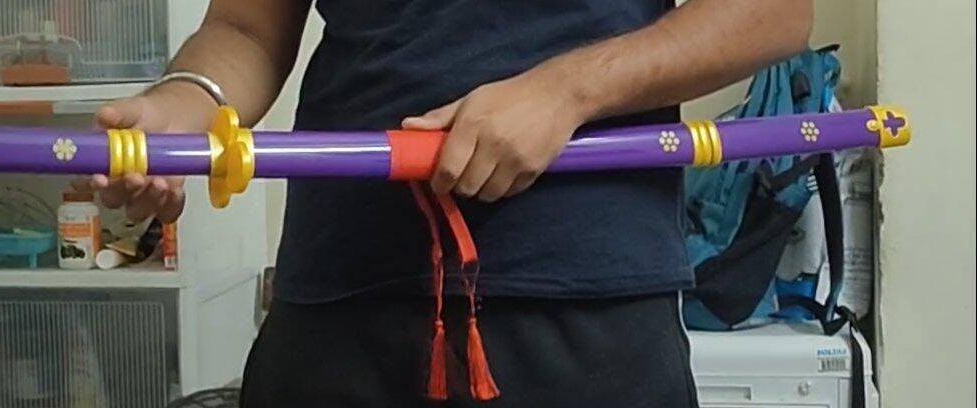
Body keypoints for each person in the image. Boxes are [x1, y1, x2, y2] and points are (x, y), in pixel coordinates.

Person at [75, 0, 812, 406]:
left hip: (586, 309)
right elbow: (244, 29)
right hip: (339, 304)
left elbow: (771, 11)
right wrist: (186, 104)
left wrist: (565, 92)